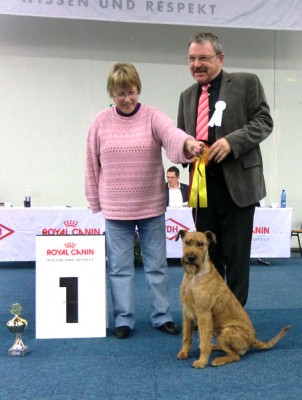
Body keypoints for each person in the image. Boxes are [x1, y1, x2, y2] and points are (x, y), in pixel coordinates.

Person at [85, 62, 203, 339]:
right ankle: (124, 319)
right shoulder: (100, 122)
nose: (127, 98)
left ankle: (162, 316)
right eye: (120, 93)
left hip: (150, 205)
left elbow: (172, 134)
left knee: (156, 266)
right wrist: (95, 200)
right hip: (115, 208)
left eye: (132, 92)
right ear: (111, 94)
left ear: (139, 89)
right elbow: (91, 162)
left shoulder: (152, 116)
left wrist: (188, 144)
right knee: (119, 268)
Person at [177, 32, 273, 306]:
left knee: (237, 256)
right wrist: (188, 147)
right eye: (192, 59)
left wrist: (232, 142)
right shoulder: (186, 96)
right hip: (202, 189)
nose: (197, 64)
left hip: (239, 187)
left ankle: (234, 318)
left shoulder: (246, 82)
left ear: (220, 58)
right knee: (209, 257)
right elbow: (182, 137)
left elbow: (264, 121)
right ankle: (212, 314)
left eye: (204, 58)